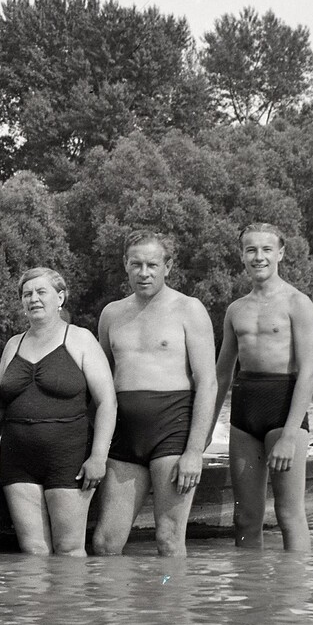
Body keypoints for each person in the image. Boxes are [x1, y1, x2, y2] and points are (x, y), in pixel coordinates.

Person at [92, 231, 218, 557]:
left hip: (172, 432)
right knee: (105, 543)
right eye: (136, 264)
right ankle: (114, 610)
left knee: (169, 538)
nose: (143, 272)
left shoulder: (189, 309)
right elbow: (100, 384)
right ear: (125, 265)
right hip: (124, 436)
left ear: (168, 266)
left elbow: (208, 382)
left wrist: (194, 451)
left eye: (152, 264)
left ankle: (172, 608)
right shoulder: (111, 314)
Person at [0, 267, 117, 556]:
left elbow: (107, 402)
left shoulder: (82, 339)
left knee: (69, 549)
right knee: (33, 550)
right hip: (18, 460)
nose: (33, 299)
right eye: (27, 294)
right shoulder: (13, 344)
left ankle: (69, 604)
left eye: (41, 292)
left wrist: (98, 457)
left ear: (60, 297)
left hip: (69, 458)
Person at [212, 223, 313, 550]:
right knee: (245, 517)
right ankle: (250, 597)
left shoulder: (298, 304)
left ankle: (293, 595)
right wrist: (203, 431)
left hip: (283, 411)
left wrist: (289, 435)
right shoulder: (236, 310)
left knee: (289, 514)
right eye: (251, 250)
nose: (259, 257)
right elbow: (221, 375)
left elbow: (309, 373)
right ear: (242, 256)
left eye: (266, 249)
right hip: (245, 414)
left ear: (281, 254)